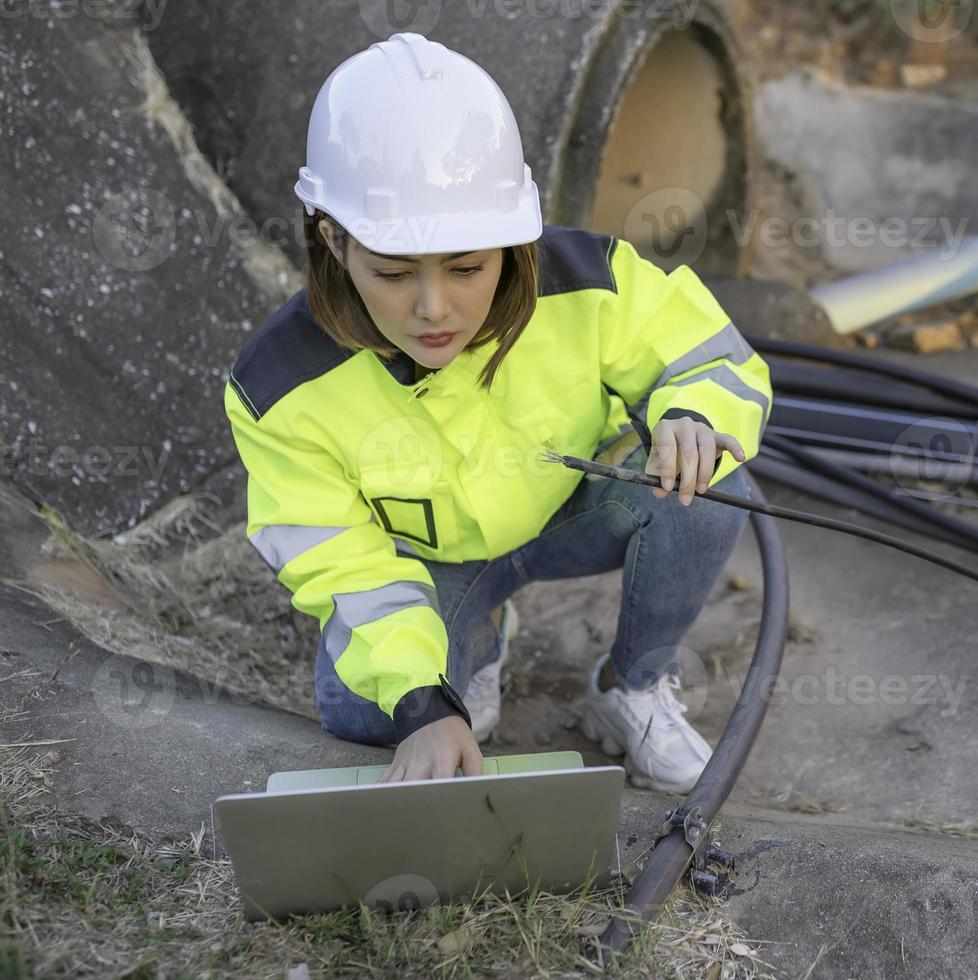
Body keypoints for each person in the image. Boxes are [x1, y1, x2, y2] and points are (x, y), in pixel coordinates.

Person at [222, 33, 770, 794]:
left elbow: (705, 353)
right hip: (432, 567)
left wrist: (693, 416)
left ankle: (631, 686)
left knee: (715, 486)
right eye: (391, 272)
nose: (433, 308)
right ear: (332, 239)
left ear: (513, 240)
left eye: (469, 267)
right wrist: (422, 701)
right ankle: (474, 642)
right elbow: (338, 558)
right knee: (359, 709)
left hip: (571, 513)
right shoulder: (277, 385)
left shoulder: (588, 280)